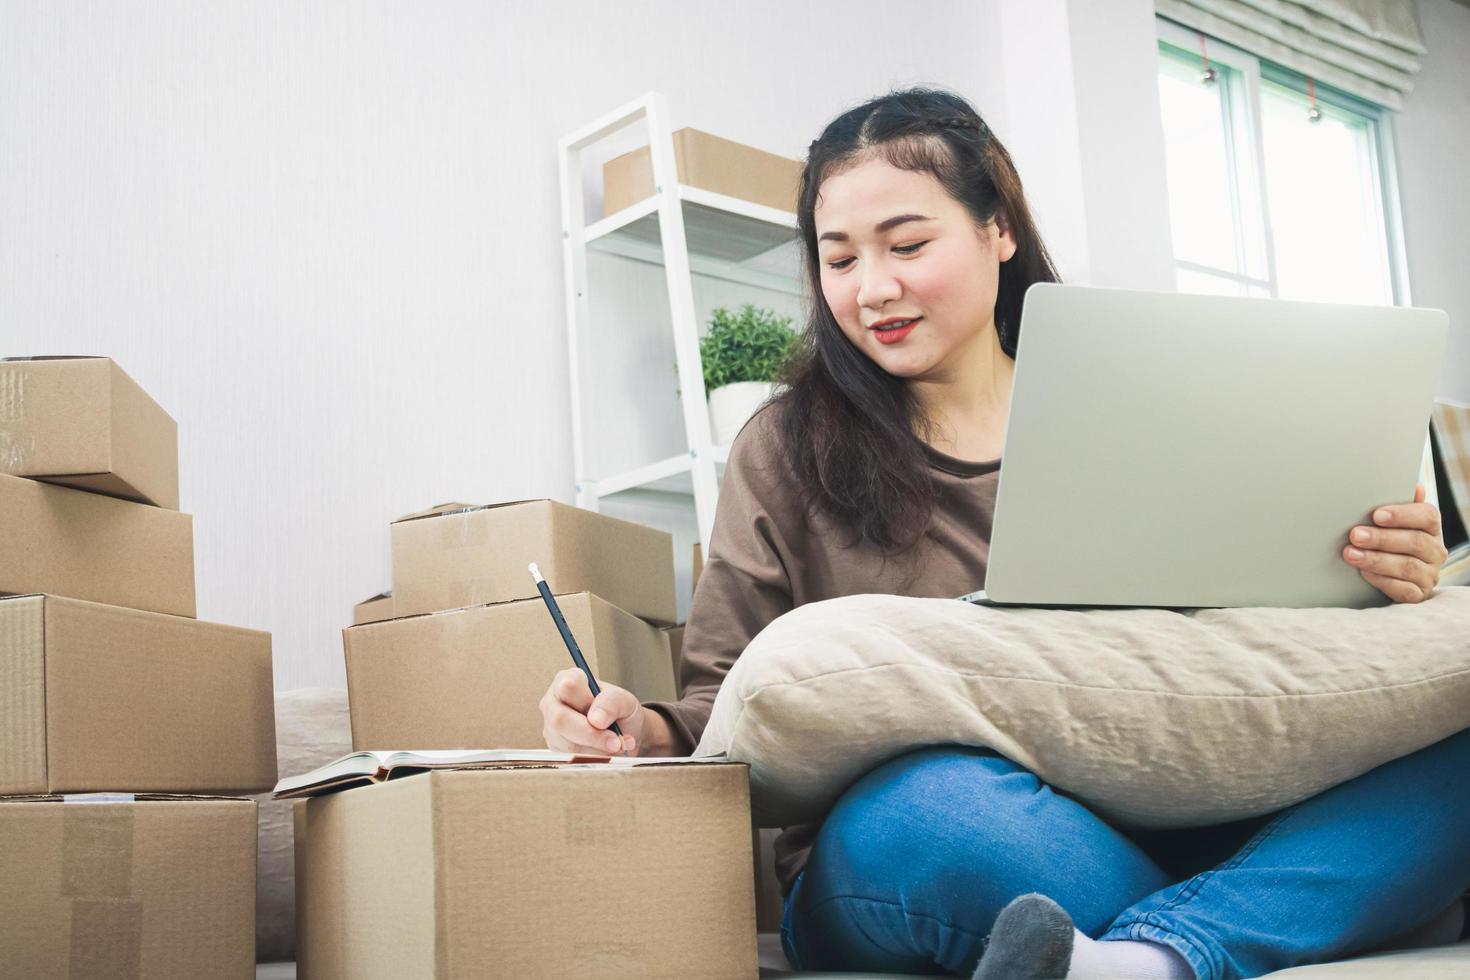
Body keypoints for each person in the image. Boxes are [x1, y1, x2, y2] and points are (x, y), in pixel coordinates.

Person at [538, 87, 1465, 980]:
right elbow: (722, 712)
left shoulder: (1134, 410)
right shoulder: (783, 448)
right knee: (931, 810)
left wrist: (1384, 569)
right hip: (954, 833)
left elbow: (1248, 666)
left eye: (907, 244)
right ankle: (1263, 912)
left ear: (999, 229)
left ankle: (1146, 957)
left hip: (1176, 820)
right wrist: (639, 729)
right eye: (841, 257)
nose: (874, 289)